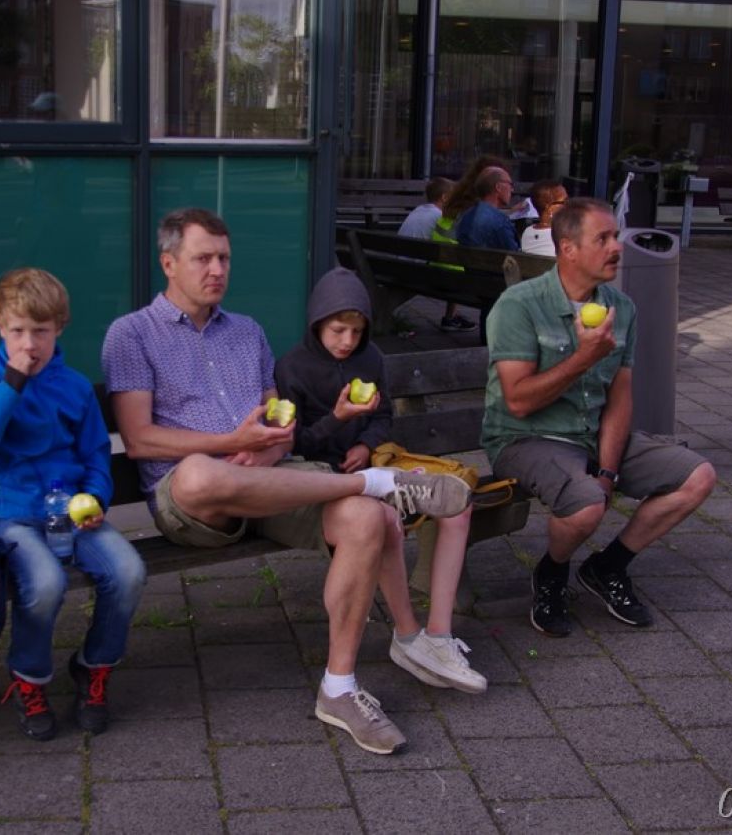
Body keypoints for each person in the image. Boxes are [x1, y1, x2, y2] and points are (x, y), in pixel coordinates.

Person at [101, 207, 473, 756]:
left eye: (224, 258)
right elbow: (139, 440)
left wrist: (271, 447)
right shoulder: (132, 334)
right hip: (194, 499)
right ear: (169, 263)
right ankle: (373, 482)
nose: (217, 270)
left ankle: (339, 688)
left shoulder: (247, 332)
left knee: (369, 520)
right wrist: (231, 443)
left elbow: (281, 424)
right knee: (202, 473)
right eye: (203, 258)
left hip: (270, 481)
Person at [482, 197, 716, 637]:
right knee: (586, 505)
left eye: (616, 237)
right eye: (603, 239)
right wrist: (583, 358)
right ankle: (552, 572)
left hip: (591, 434)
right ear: (568, 249)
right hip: (526, 438)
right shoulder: (519, 305)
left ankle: (608, 566)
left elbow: (620, 399)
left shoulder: (620, 307)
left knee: (697, 477)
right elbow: (518, 402)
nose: (617, 247)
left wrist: (608, 471)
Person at [0, 268, 147, 741]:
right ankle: (29, 678)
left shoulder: (73, 386)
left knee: (128, 571)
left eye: (40, 331)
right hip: (10, 517)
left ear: (59, 327)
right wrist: (10, 385)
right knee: (44, 582)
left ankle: (93, 667)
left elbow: (95, 453)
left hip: (71, 513)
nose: (29, 344)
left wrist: (95, 496)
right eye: (17, 330)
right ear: (0, 326)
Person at [274, 267, 487, 694]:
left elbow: (384, 414)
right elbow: (293, 445)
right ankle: (407, 638)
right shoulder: (292, 368)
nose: (347, 341)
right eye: (338, 330)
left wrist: (365, 444)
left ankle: (438, 635)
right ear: (317, 322)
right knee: (384, 519)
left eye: (356, 331)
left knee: (457, 507)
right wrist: (338, 419)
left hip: (372, 465)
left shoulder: (369, 358)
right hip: (324, 480)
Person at [431, 156, 508, 330]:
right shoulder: (477, 210)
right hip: (461, 277)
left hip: (437, 269)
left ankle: (450, 317)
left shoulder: (458, 198)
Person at [453, 166, 520, 251]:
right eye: (510, 184)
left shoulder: (464, 216)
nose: (512, 190)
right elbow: (514, 255)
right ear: (498, 187)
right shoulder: (500, 222)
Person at [519, 179, 569, 257]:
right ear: (549, 208)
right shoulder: (563, 235)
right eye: (564, 202)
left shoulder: (527, 232)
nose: (568, 205)